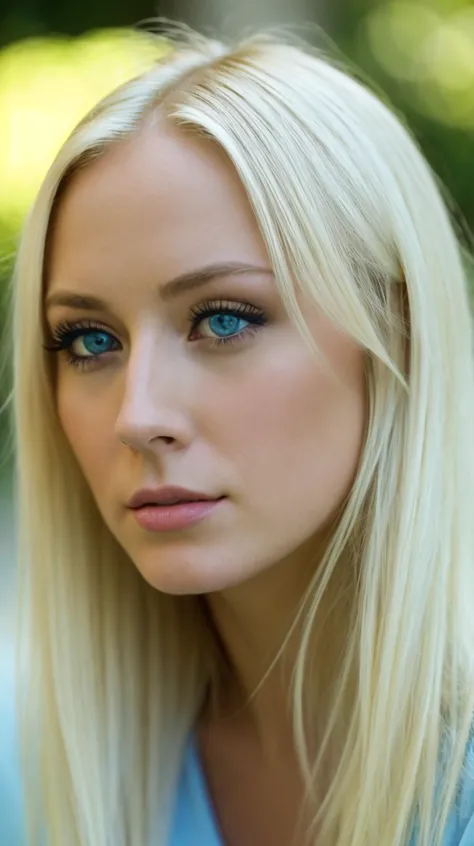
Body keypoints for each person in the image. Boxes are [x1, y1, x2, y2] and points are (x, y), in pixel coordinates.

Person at [3, 22, 474, 846]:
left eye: (222, 319)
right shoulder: (33, 776)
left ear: (396, 332)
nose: (138, 415)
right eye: (89, 341)